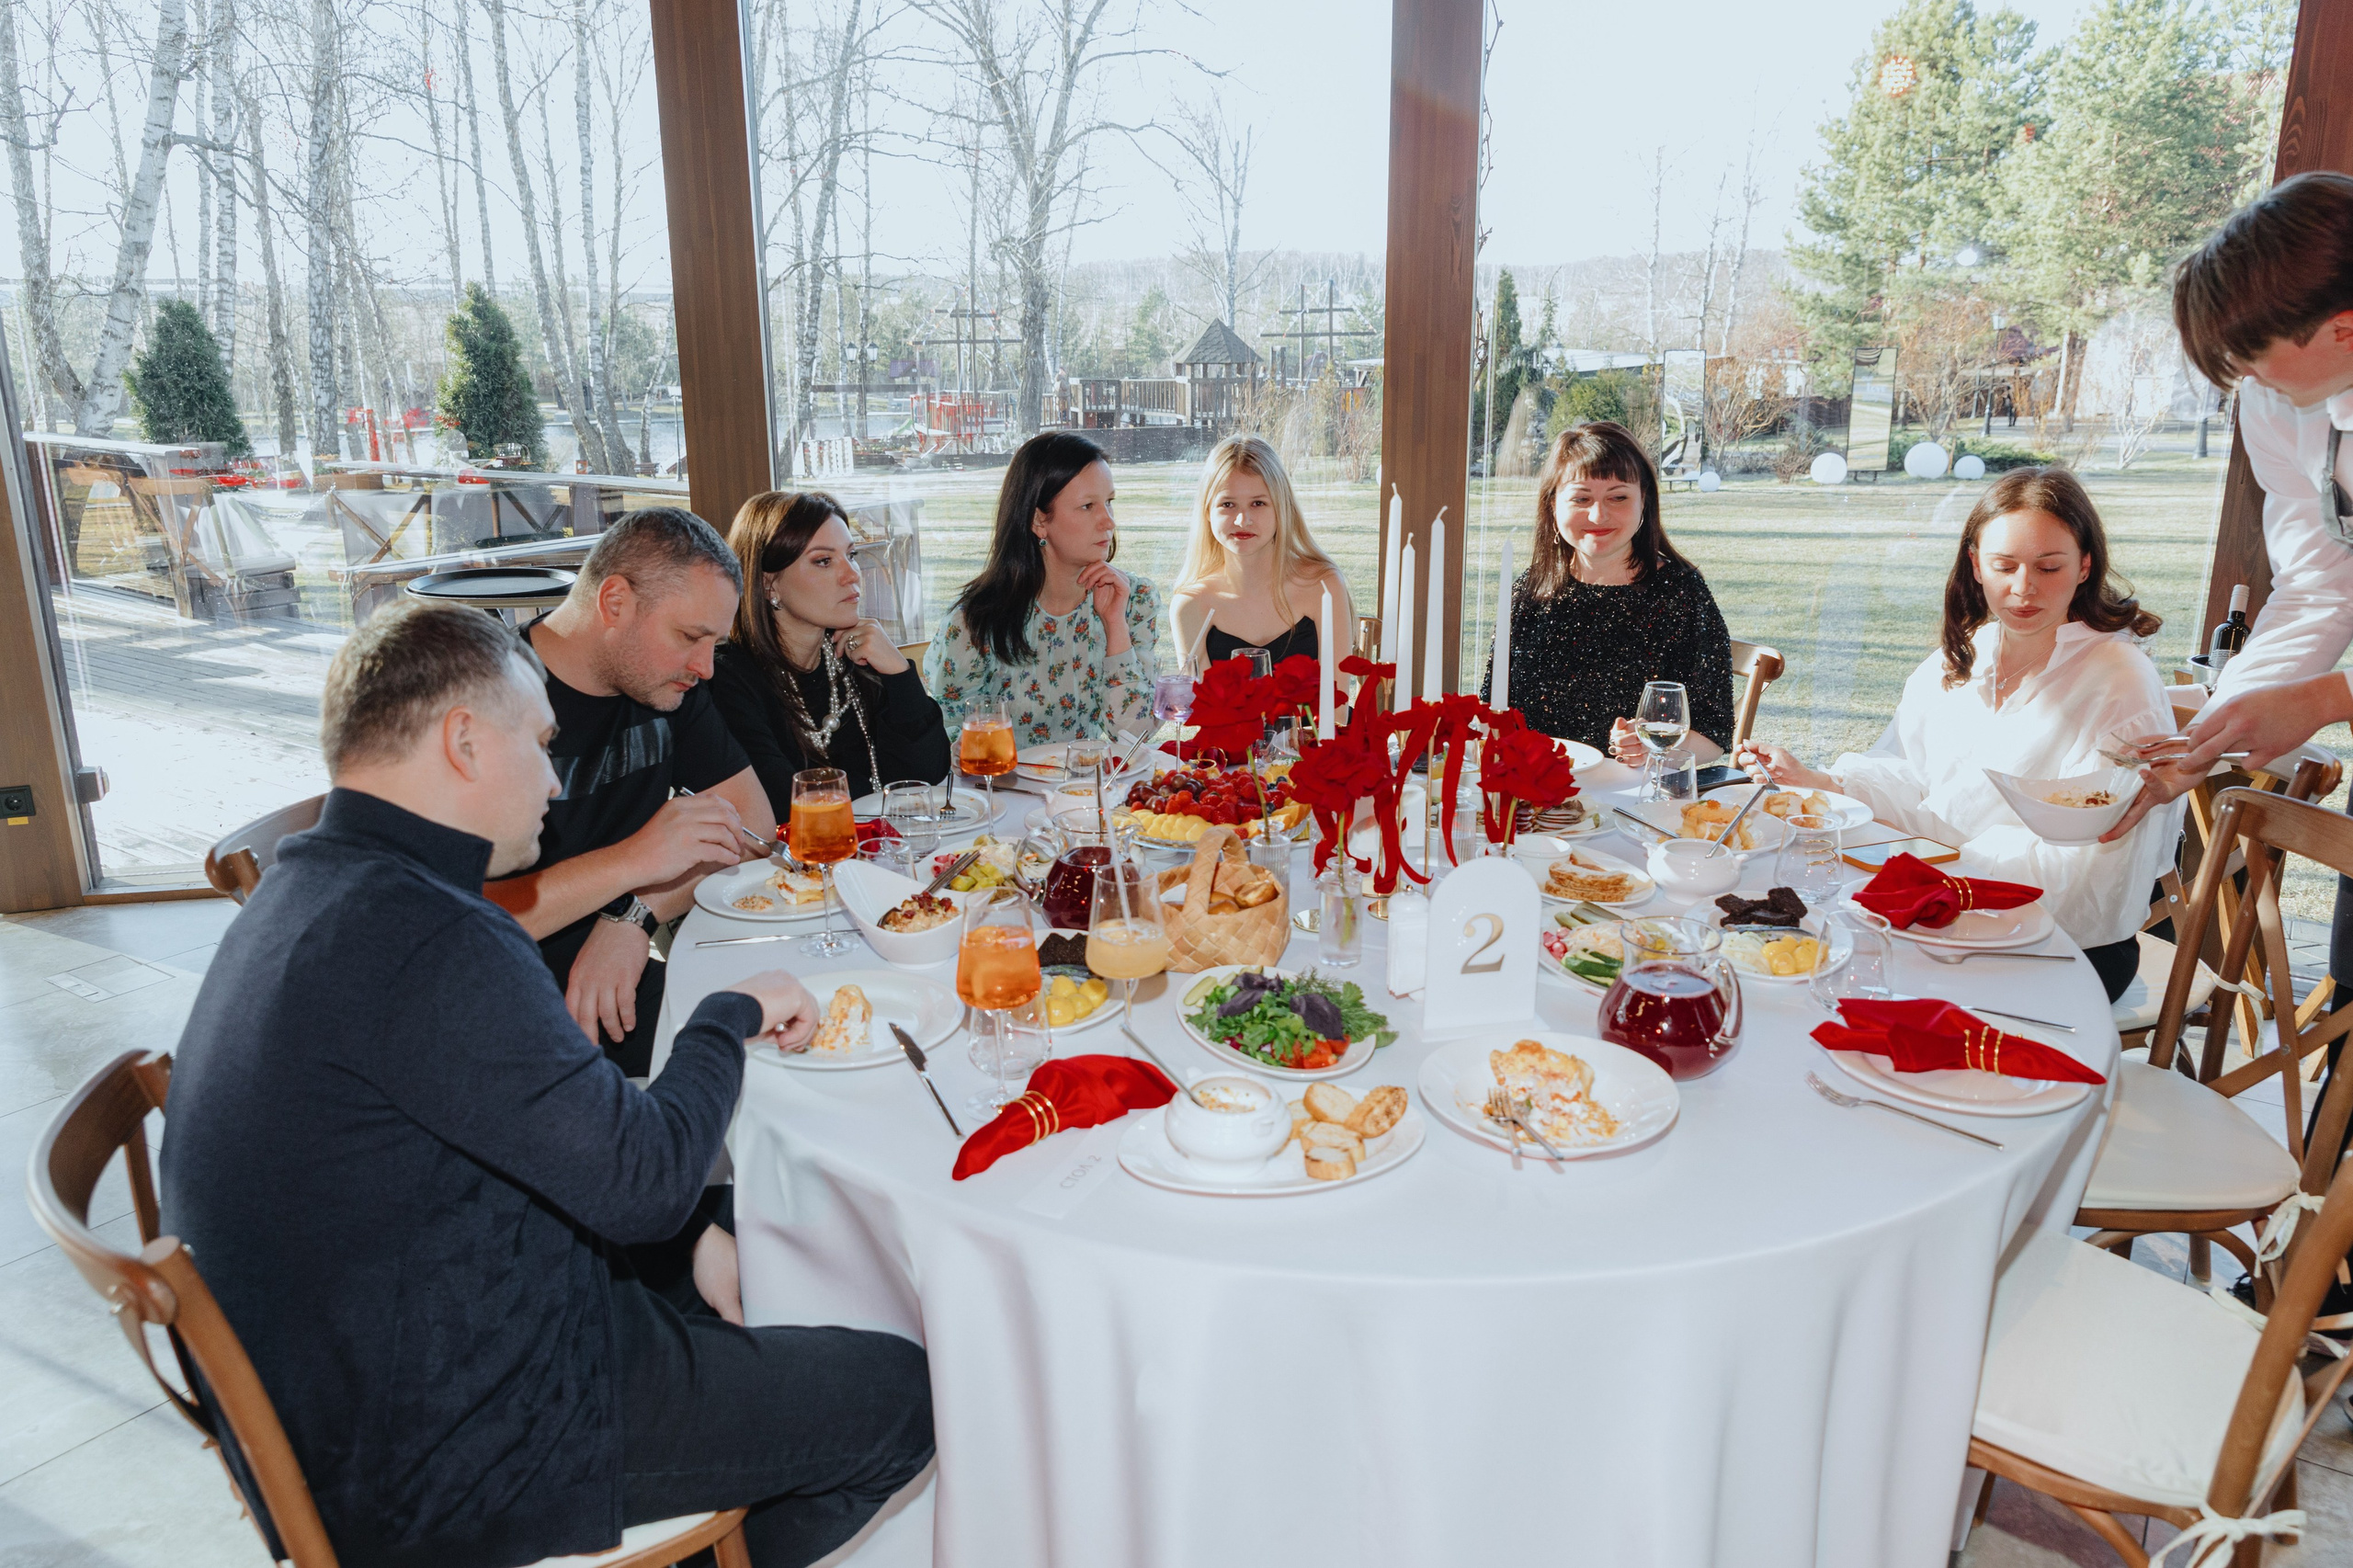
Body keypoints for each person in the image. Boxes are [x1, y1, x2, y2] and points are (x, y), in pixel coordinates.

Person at [161, 599, 934, 1568]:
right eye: (537, 745)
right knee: (902, 1399)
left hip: (382, 1358)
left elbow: (550, 1142)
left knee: (755, 1223)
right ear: (464, 742)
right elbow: (647, 1184)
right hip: (451, 1445)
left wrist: (692, 1238)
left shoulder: (315, 888)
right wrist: (724, 1016)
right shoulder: (433, 939)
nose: (555, 781)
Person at [1741, 468, 2179, 1003]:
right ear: (1975, 565)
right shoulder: (1966, 657)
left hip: (2066, 943)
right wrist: (1823, 782)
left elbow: (2100, 868)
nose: (2024, 588)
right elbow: (1919, 783)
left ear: (2085, 565)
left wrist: (1946, 868)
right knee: (1802, 965)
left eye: (2049, 567)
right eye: (2004, 566)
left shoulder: (2120, 682)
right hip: (1946, 906)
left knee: (1852, 981)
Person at [487, 506, 771, 1077]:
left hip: (619, 988)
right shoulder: (489, 697)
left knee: (794, 1033)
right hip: (494, 1015)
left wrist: (633, 915)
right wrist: (633, 861)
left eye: (714, 643)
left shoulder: (671, 687)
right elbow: (458, 917)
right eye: (690, 636)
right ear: (614, 602)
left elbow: (754, 828)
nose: (706, 667)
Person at [1479, 419, 1734, 761]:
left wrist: (1654, 747)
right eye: (1581, 498)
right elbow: (1494, 712)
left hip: (1636, 789)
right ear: (1553, 505)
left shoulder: (1681, 594)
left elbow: (1714, 734)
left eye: (1618, 497)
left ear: (1644, 500)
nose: (1599, 515)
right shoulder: (1531, 591)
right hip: (1536, 784)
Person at [710, 490, 951, 806]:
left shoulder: (855, 658)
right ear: (769, 584)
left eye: (851, 555)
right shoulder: (728, 681)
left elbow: (927, 774)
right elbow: (783, 806)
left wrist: (899, 673)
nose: (853, 574)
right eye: (823, 561)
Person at [923, 431, 1160, 744]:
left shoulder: (1133, 599)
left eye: (1109, 502)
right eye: (1088, 506)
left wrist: (1114, 624)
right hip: (1002, 775)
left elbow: (1134, 735)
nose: (1109, 521)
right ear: (1038, 521)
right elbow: (950, 737)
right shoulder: (974, 622)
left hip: (1090, 776)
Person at [1170, 434, 1353, 670]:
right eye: (1227, 504)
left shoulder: (1324, 586)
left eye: (1258, 503)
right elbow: (1197, 694)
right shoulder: (1190, 605)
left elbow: (1337, 692)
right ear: (1207, 512)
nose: (1242, 520)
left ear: (1282, 508)